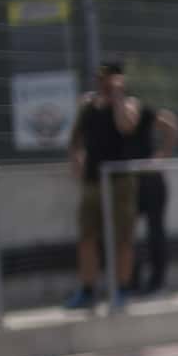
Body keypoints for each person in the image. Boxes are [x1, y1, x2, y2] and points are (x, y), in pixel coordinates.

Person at [64, 59, 141, 310]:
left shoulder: (129, 104)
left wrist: (118, 97)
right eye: (101, 79)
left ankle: (122, 288)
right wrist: (76, 162)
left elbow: (126, 126)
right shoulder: (87, 105)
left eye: (110, 79)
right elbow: (74, 139)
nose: (104, 84)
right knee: (87, 237)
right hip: (92, 181)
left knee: (123, 239)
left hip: (120, 181)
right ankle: (87, 289)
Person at [127, 101, 178, 295]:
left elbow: (170, 124)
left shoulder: (143, 112)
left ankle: (157, 282)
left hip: (150, 179)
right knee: (126, 234)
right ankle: (131, 281)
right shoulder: (110, 115)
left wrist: (162, 157)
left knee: (155, 231)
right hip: (125, 181)